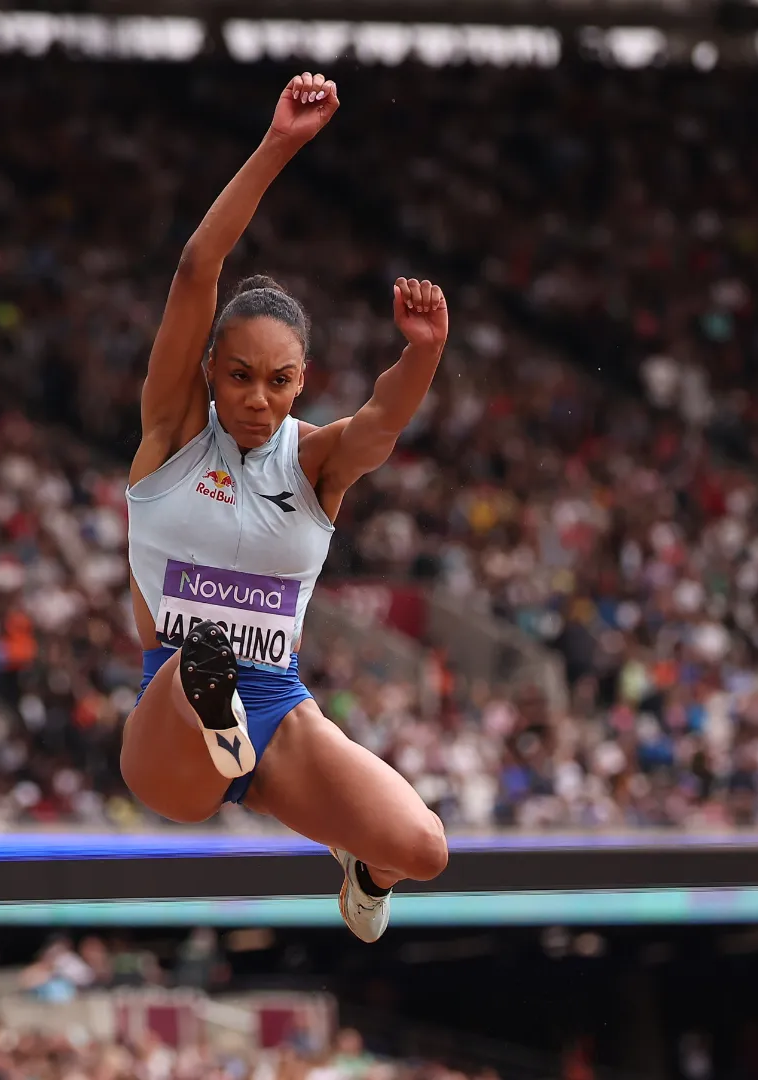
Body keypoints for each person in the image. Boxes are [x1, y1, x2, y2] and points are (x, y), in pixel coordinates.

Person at [121, 72, 450, 943]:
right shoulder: (172, 432)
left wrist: (422, 354)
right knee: (199, 665)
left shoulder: (315, 461)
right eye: (238, 375)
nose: (256, 398)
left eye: (278, 380)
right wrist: (280, 145)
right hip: (171, 712)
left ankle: (361, 868)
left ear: (302, 380)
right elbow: (198, 268)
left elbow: (381, 424)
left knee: (424, 849)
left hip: (279, 703)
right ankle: (215, 716)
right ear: (208, 370)